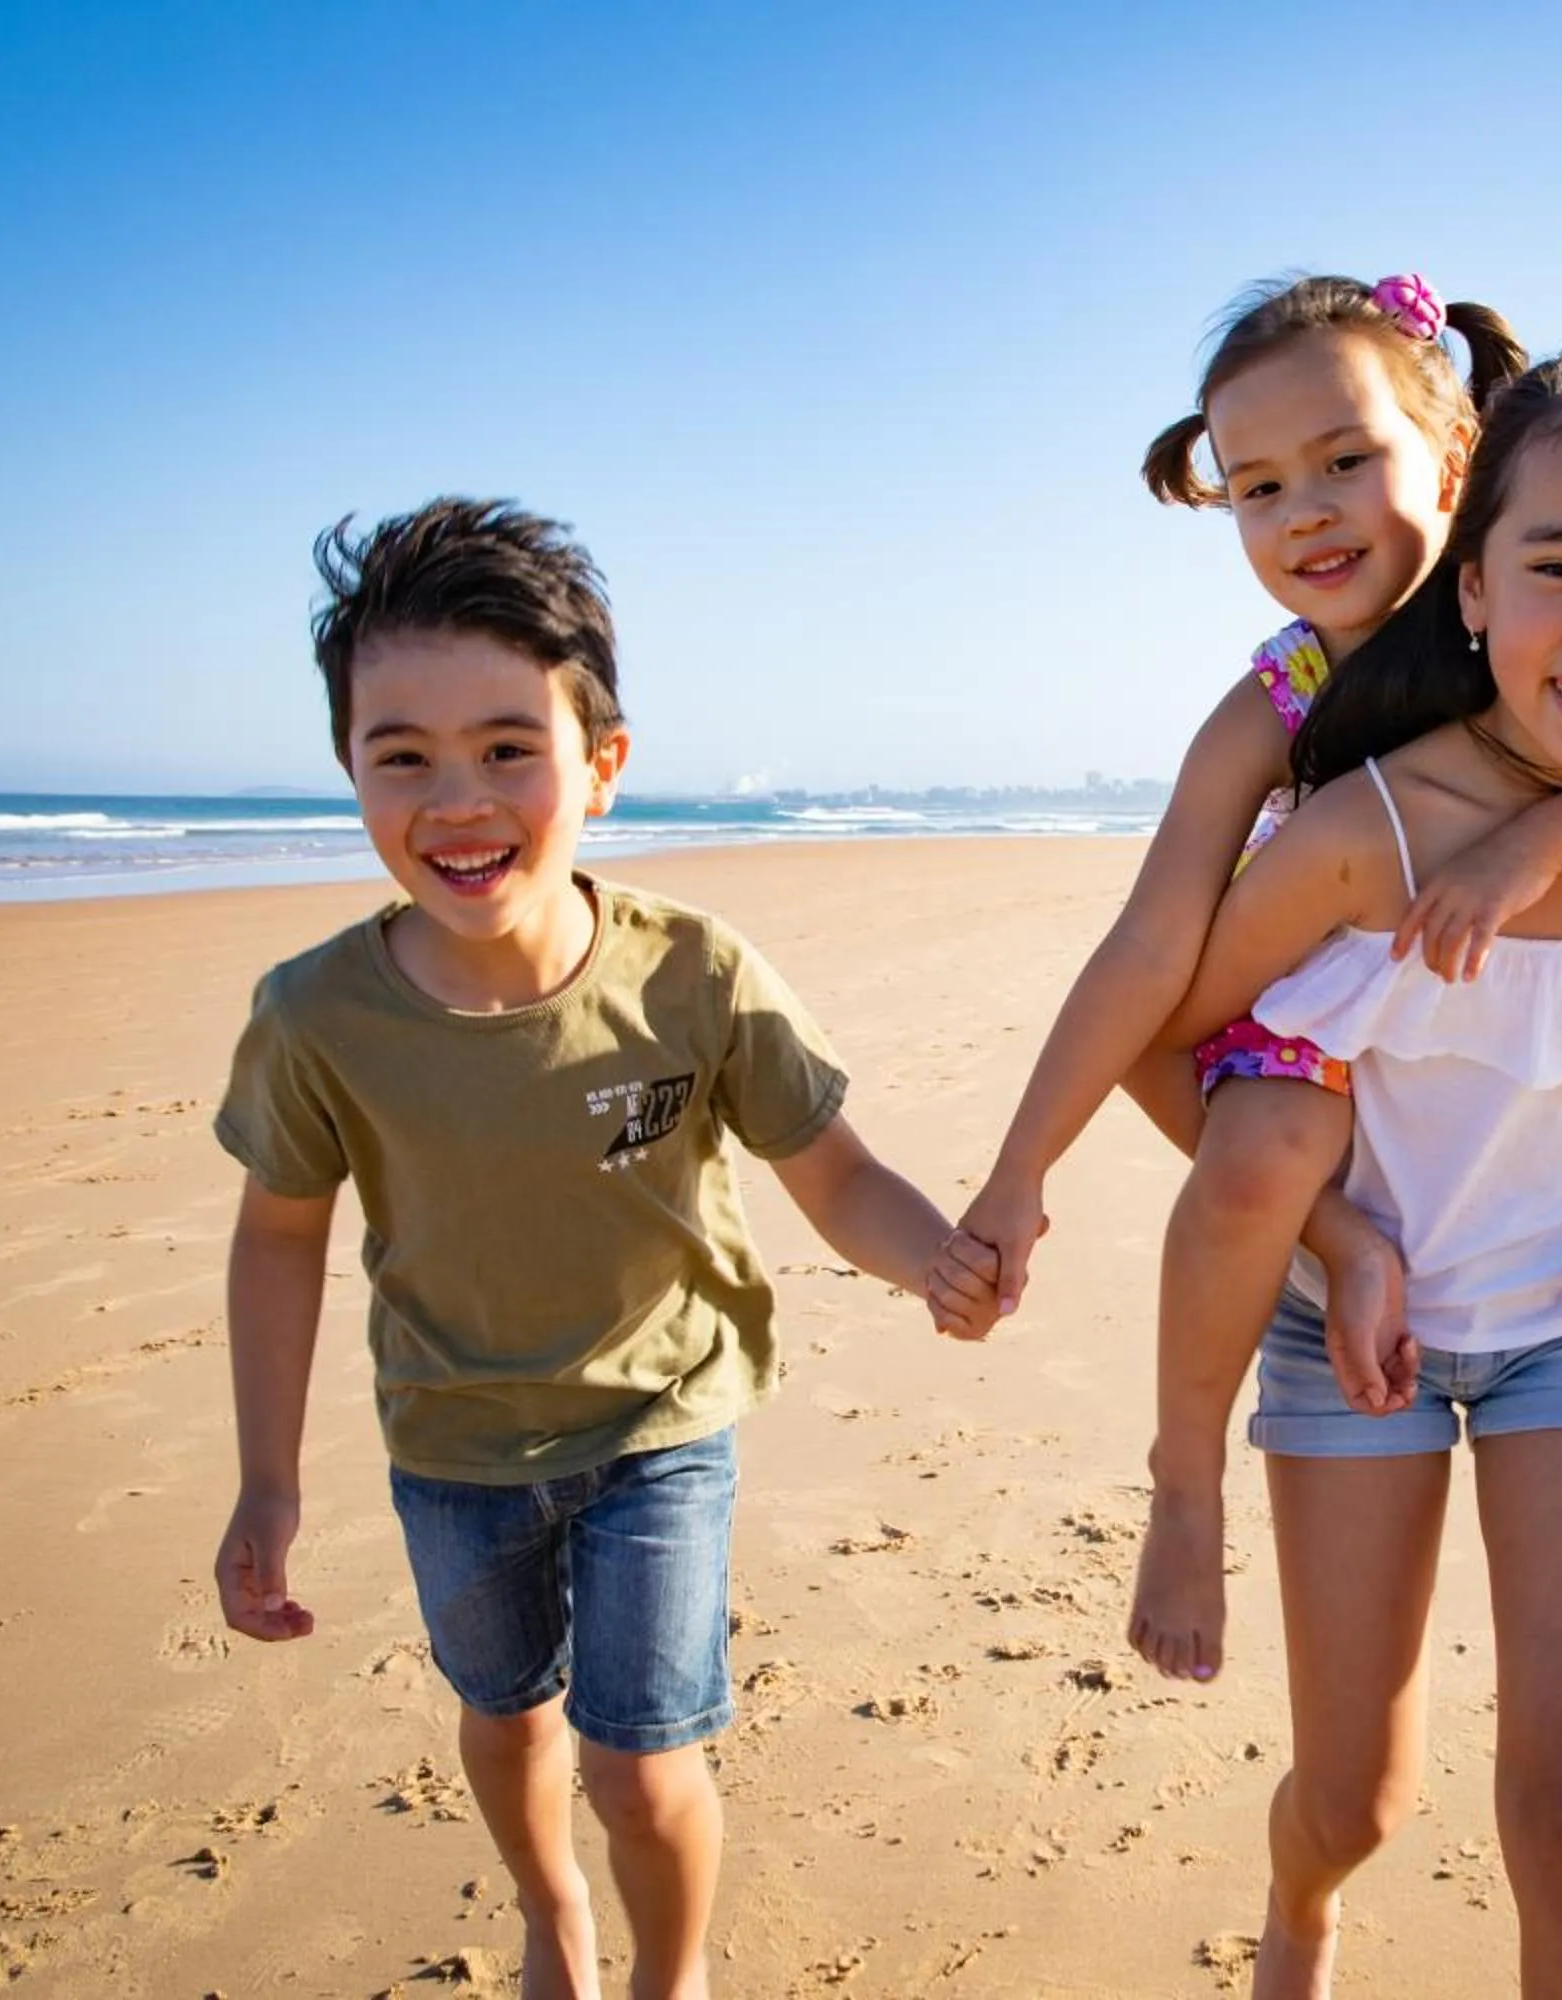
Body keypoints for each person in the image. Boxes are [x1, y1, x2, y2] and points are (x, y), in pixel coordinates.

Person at [941, 275, 1562, 1686]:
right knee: (1266, 1156)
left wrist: (1536, 847)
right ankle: (1185, 1485)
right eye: (1259, 486)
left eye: (1349, 461)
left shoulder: (1550, 611)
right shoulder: (1281, 696)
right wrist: (1017, 1171)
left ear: (1457, 466)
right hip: (1323, 1021)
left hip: (1507, 1035)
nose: (1307, 511)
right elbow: (1154, 943)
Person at [209, 499, 996, 2000]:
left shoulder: (692, 976)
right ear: (352, 773)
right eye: (404, 756)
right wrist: (267, 1478)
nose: (459, 799)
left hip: (662, 1424)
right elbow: (277, 1241)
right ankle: (549, 1910)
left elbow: (831, 1174)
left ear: (602, 768)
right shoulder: (317, 1018)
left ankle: (670, 1974)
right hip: (452, 1438)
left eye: (510, 748)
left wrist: (935, 1259)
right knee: (505, 1718)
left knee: (644, 1762)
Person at [1147, 353, 1562, 1997]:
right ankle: (1302, 1907)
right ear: (1470, 588)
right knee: (1356, 1799)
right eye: (1560, 570)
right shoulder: (1359, 837)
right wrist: (1337, 1232)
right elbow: (1177, 1052)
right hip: (1342, 1337)